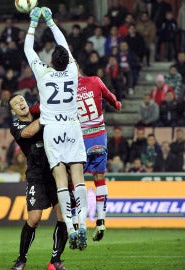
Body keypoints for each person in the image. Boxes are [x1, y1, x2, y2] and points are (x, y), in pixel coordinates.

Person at [24, 7, 88, 250]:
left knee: (61, 179)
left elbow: (28, 49)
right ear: (68, 59)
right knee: (78, 178)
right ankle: (81, 224)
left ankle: (70, 228)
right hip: (72, 127)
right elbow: (64, 45)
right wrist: (51, 22)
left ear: (51, 61)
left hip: (52, 129)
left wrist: (34, 23)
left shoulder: (42, 73)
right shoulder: (72, 71)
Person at [9, 94, 68, 270]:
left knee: (63, 216)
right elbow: (29, 132)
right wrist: (48, 114)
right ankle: (21, 260)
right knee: (34, 219)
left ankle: (55, 261)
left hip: (55, 171)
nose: (21, 103)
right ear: (13, 111)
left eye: (22, 100)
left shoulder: (40, 114)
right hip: (36, 175)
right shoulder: (16, 126)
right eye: (16, 103)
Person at [77, 74, 121, 241]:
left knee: (76, 179)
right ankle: (101, 220)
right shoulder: (95, 80)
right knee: (100, 178)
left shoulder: (66, 87)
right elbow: (111, 98)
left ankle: (79, 224)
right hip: (99, 135)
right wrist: (117, 104)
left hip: (81, 138)